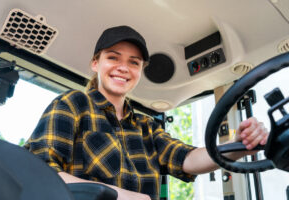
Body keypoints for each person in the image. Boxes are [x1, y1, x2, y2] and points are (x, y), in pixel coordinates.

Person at [25, 25, 268, 200]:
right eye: (113, 57)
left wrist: (239, 145)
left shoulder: (147, 126)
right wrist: (121, 196)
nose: (123, 68)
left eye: (134, 62)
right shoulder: (72, 104)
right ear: (95, 63)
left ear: (141, 70)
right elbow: (40, 171)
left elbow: (187, 159)